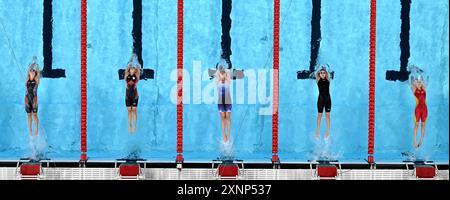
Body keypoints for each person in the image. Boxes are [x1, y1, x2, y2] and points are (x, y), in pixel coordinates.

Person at [215, 64, 232, 142]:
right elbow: (217, 72)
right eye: (221, 72)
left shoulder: (228, 81)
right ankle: (223, 134)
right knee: (222, 117)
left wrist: (225, 75)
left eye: (223, 72)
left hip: (228, 100)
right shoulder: (217, 81)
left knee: (227, 116)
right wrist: (220, 76)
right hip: (220, 101)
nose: (222, 73)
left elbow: (228, 71)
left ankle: (228, 134)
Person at [410, 74, 427, 148]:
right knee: (416, 125)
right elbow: (411, 79)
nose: (419, 82)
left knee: (423, 125)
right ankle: (414, 142)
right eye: (417, 81)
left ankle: (421, 141)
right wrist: (413, 73)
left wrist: (420, 73)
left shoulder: (424, 88)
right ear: (415, 83)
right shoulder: (414, 89)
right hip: (417, 110)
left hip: (425, 110)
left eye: (420, 81)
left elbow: (424, 79)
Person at [25, 57, 40, 138]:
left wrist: (36, 64)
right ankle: (30, 130)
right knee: (29, 115)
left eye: (33, 71)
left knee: (35, 115)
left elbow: (38, 71)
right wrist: (32, 64)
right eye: (31, 70)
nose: (32, 71)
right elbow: (28, 70)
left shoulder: (37, 80)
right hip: (27, 100)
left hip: (34, 99)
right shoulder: (27, 80)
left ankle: (36, 130)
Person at [315, 66, 331, 140]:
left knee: (327, 115)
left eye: (324, 73)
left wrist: (325, 68)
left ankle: (328, 131)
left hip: (328, 100)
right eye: (321, 73)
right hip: (320, 100)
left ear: (325, 74)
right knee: (319, 115)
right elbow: (316, 72)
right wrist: (320, 68)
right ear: (319, 74)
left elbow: (328, 72)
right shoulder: (318, 80)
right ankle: (317, 131)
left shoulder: (328, 80)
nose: (322, 74)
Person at [124, 60, 140, 133]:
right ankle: (129, 125)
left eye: (134, 68)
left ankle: (135, 126)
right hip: (127, 96)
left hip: (135, 96)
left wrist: (136, 64)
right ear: (130, 69)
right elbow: (127, 69)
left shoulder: (136, 77)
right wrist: (130, 64)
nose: (133, 69)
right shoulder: (126, 76)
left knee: (134, 110)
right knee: (129, 111)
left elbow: (138, 70)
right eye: (131, 68)